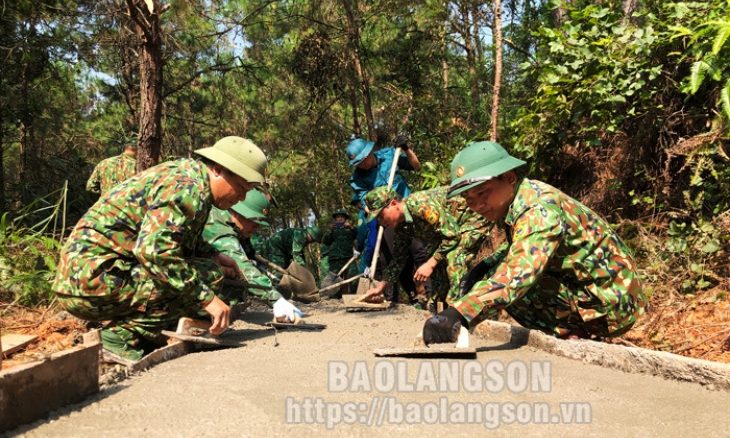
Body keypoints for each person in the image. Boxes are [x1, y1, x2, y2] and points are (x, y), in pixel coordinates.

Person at [53, 136, 268, 361]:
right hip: (90, 283)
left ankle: (149, 330)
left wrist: (213, 254)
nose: (242, 197)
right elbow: (156, 253)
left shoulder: (189, 178)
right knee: (208, 275)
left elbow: (174, 237)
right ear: (218, 169)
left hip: (91, 277)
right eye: (242, 188)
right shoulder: (188, 188)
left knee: (209, 267)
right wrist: (207, 299)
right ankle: (122, 336)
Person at [422, 141, 648, 345]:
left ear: (509, 177)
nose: (477, 205)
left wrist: (461, 312)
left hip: (613, 305)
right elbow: (521, 245)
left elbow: (517, 273)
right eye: (468, 199)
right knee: (492, 274)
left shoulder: (538, 210)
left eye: (482, 193)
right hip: (599, 292)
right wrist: (485, 264)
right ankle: (569, 331)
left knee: (511, 284)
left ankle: (570, 335)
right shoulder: (523, 197)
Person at [361, 186, 488, 307]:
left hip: (472, 216)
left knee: (455, 257)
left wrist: (431, 264)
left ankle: (458, 310)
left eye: (381, 216)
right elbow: (398, 259)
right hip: (451, 229)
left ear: (394, 204)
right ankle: (440, 305)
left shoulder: (420, 207)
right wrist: (380, 288)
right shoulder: (401, 226)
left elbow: (453, 236)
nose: (380, 222)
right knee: (435, 260)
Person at [346, 135, 429, 302]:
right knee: (395, 259)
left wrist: (406, 148)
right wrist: (374, 208)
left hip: (408, 211)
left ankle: (431, 296)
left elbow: (416, 166)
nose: (362, 165)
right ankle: (411, 299)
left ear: (370, 152)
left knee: (420, 253)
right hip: (388, 220)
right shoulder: (358, 178)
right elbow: (365, 204)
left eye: (363, 160)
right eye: (357, 163)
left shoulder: (390, 155)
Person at [202, 189, 282, 308]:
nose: (257, 227)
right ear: (237, 212)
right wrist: (277, 301)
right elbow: (242, 266)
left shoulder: (233, 224)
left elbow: (248, 251)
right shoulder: (218, 224)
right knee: (219, 277)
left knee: (235, 286)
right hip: (174, 274)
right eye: (254, 221)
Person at [320, 208, 358, 297]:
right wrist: (330, 231)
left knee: (354, 278)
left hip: (348, 257)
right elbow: (325, 241)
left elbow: (359, 236)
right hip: (335, 258)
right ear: (335, 219)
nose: (340, 219)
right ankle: (336, 299)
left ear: (345, 219)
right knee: (333, 280)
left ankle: (354, 295)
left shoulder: (350, 229)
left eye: (342, 217)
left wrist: (351, 227)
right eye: (338, 217)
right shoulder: (331, 230)